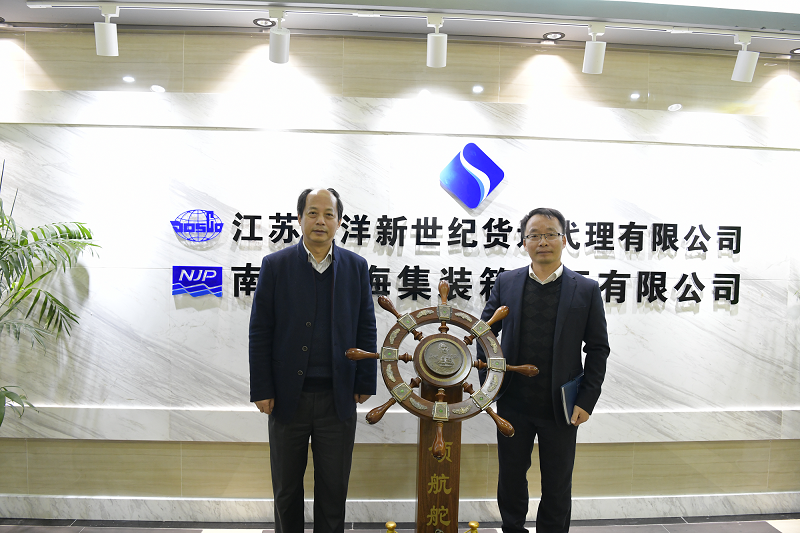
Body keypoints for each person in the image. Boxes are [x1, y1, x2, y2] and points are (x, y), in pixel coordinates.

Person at [249, 188, 377, 533]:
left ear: (339, 221)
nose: (321, 220)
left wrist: (365, 380)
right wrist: (262, 388)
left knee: (334, 489)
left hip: (338, 397)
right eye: (313, 213)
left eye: (328, 214)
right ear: (300, 218)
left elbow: (366, 326)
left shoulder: (356, 267)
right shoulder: (276, 265)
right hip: (286, 397)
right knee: (286, 488)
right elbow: (260, 330)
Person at [477, 207, 610, 533]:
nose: (543, 242)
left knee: (557, 482)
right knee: (511, 477)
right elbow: (484, 335)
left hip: (562, 405)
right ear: (524, 242)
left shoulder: (586, 289)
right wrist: (489, 385)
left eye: (550, 234)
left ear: (564, 239)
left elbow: (598, 349)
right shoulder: (506, 282)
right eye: (534, 235)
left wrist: (586, 400)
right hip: (513, 402)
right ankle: (512, 529)